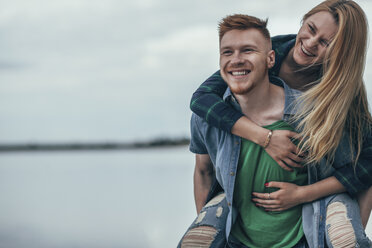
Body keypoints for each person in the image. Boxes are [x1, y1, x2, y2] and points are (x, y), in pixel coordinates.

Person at [188, 0, 372, 245]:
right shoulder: (263, 53)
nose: (309, 43)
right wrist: (265, 138)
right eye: (310, 29)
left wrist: (303, 195)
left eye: (326, 43)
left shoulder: (339, 97)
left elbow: (366, 167)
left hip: (307, 213)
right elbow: (201, 100)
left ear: (341, 53)